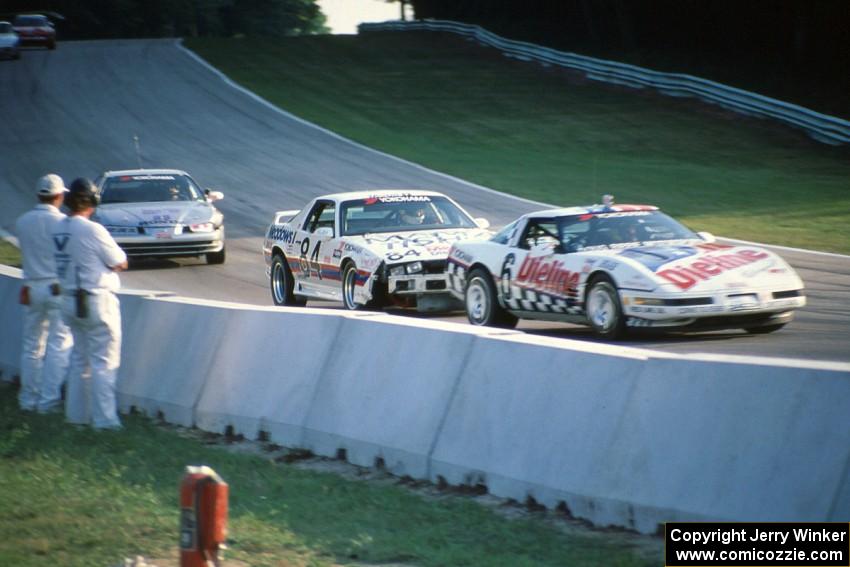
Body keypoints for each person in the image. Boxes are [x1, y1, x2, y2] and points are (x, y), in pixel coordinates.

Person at [54, 178, 128, 430]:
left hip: (68, 299)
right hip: (96, 299)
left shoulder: (58, 228)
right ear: (92, 200)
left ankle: (76, 417)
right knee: (104, 363)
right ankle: (105, 421)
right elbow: (119, 260)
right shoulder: (93, 229)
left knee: (79, 360)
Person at [15, 174, 73, 413]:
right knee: (58, 345)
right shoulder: (63, 223)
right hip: (56, 287)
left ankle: (28, 399)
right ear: (59, 196)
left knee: (31, 346)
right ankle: (49, 401)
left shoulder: (23, 221)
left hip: (31, 286)